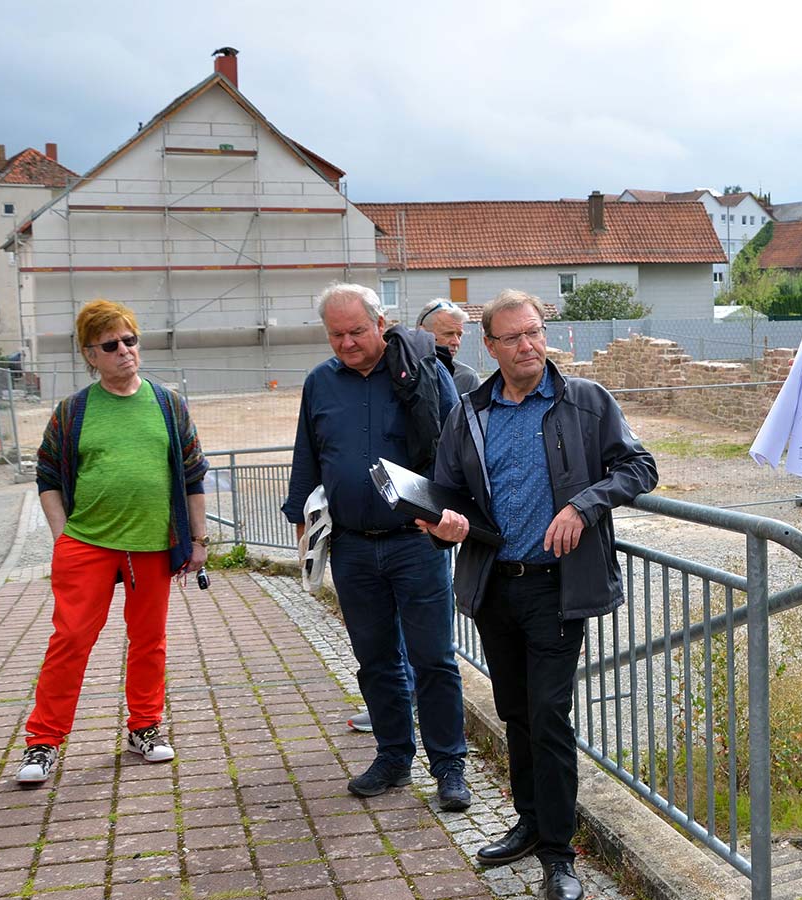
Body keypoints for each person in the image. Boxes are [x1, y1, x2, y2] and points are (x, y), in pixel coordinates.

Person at [418, 289, 657, 900]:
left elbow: (639, 467)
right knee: (515, 711)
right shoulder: (471, 411)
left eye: (535, 333)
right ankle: (527, 822)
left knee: (549, 715)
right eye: (514, 338)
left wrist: (585, 503)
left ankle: (559, 854)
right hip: (495, 584)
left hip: (557, 587)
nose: (528, 346)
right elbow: (448, 489)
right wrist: (443, 522)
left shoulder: (586, 402)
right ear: (490, 347)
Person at [281, 282, 472, 811]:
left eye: (356, 331)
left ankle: (449, 768)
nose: (346, 343)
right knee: (375, 660)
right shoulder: (320, 383)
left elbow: (458, 452)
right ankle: (393, 758)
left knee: (434, 660)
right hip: (352, 547)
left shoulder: (426, 373)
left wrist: (446, 517)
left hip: (415, 545)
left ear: (381, 322)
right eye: (336, 335)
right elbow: (308, 454)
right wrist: (301, 515)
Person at [17, 299, 210, 785]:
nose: (124, 350)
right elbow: (47, 475)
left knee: (149, 641)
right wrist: (63, 537)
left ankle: (144, 727)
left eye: (130, 340)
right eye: (111, 344)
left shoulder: (168, 404)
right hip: (88, 544)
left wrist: (199, 541)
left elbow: (192, 475)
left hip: (151, 544)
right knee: (71, 640)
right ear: (90, 354)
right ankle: (43, 742)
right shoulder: (73, 410)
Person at [417, 298, 480, 394]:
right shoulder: (400, 371)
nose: (456, 342)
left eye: (459, 335)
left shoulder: (467, 378)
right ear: (422, 333)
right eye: (448, 334)